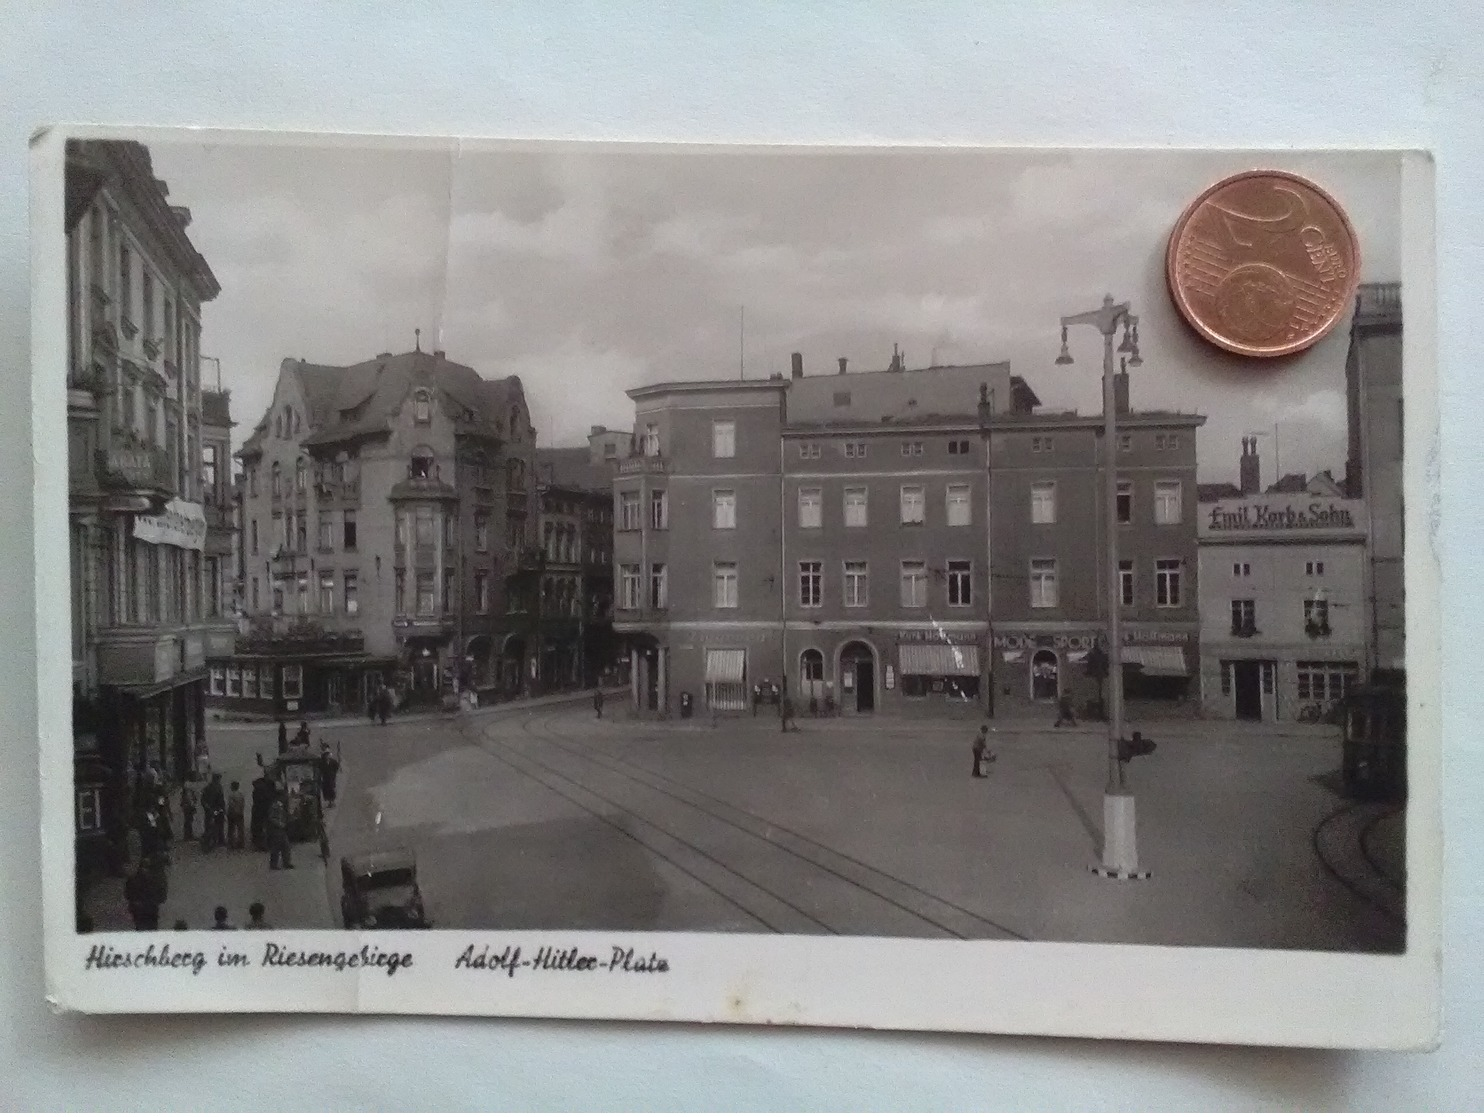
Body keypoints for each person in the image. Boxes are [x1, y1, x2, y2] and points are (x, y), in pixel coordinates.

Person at [200, 773, 226, 851]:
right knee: (219, 825)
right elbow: (221, 800)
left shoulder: (207, 788)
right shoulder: (219, 788)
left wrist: (206, 807)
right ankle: (220, 840)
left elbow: (202, 800)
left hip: (209, 810)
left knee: (208, 825)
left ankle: (208, 840)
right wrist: (223, 810)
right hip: (217, 809)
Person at [266, 793, 293, 870]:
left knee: (286, 846)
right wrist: (280, 824)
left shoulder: (281, 805)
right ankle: (274, 864)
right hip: (276, 829)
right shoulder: (274, 806)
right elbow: (271, 818)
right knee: (276, 847)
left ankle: (286, 863)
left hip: (282, 829)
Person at [250, 770, 274, 851]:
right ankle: (265, 844)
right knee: (266, 827)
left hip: (258, 810)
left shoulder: (257, 789)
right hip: (265, 809)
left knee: (258, 828)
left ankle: (259, 844)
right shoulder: (268, 786)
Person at [226, 781, 246, 849]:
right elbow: (243, 804)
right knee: (240, 828)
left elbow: (231, 805)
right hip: (240, 813)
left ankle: (231, 843)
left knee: (231, 829)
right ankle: (241, 843)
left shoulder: (231, 795)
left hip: (232, 813)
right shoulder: (241, 794)